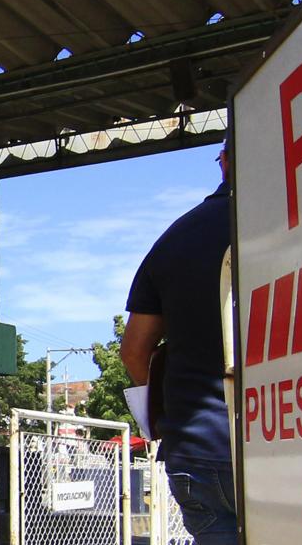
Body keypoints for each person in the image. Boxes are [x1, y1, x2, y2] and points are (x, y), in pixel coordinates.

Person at [121, 142, 238, 545]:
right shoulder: (297, 217)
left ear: (223, 163)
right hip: (285, 441)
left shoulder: (174, 237)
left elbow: (135, 350)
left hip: (196, 451)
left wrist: (163, 419)